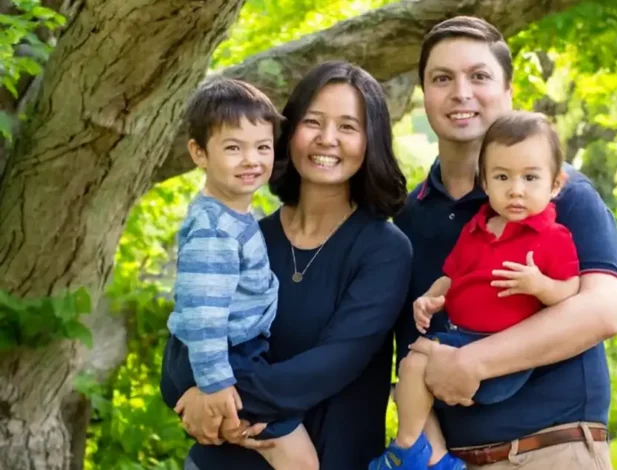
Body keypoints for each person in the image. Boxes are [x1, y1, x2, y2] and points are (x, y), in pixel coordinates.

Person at [393, 16, 617, 470]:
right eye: (442, 78)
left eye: (479, 76)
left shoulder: (561, 193)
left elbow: (602, 311)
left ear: (508, 91)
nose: (461, 92)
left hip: (553, 450)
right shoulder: (408, 218)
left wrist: (473, 363)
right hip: (451, 458)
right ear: (424, 94)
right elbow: (412, 345)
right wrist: (431, 454)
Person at [160, 60, 413, 470]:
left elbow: (331, 366)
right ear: (288, 132)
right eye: (313, 122)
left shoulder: (384, 249)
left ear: (371, 141)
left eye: (348, 127)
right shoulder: (244, 235)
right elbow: (188, 328)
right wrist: (187, 390)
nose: (327, 139)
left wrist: (218, 400)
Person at [373, 111, 580, 470]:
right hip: (460, 338)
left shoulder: (552, 237)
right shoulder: (477, 228)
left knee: (420, 360)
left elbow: (571, 290)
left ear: (555, 185)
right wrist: (430, 299)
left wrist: (539, 285)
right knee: (410, 363)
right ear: (485, 181)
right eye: (502, 177)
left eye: (531, 178)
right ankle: (410, 450)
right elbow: (452, 277)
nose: (516, 189)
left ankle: (411, 453)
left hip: (504, 357)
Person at [167, 77, 318, 469]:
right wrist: (215, 383)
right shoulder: (214, 229)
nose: (251, 160)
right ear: (199, 153)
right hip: (224, 354)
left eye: (262, 147)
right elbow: (203, 313)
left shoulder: (234, 214)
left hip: (228, 351)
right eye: (233, 148)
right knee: (301, 461)